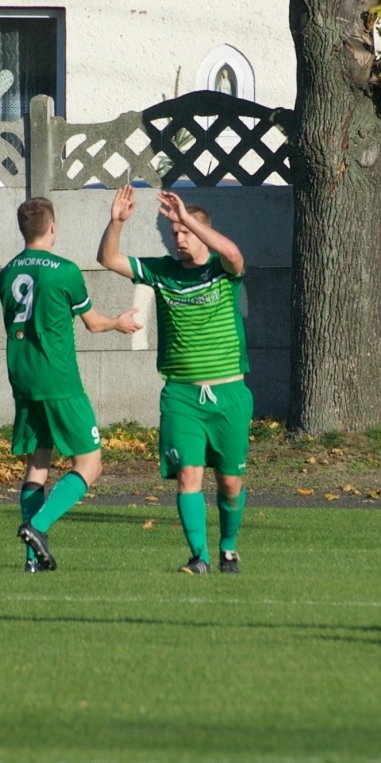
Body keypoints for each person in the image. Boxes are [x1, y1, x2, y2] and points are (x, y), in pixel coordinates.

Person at [98, 184, 251, 574]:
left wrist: (189, 219)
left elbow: (234, 254)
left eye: (184, 232)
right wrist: (116, 222)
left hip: (230, 392)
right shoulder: (162, 272)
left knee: (230, 482)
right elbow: (108, 257)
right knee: (188, 475)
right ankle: (198, 557)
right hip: (181, 395)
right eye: (175, 234)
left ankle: (228, 548)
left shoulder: (221, 270)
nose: (179, 239)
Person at [5, 197, 140, 572]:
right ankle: (38, 527)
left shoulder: (8, 270)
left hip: (22, 377)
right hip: (58, 378)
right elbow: (93, 323)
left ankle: (33, 561)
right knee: (90, 462)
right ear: (52, 228)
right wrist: (120, 322)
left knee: (38, 461)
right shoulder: (63, 270)